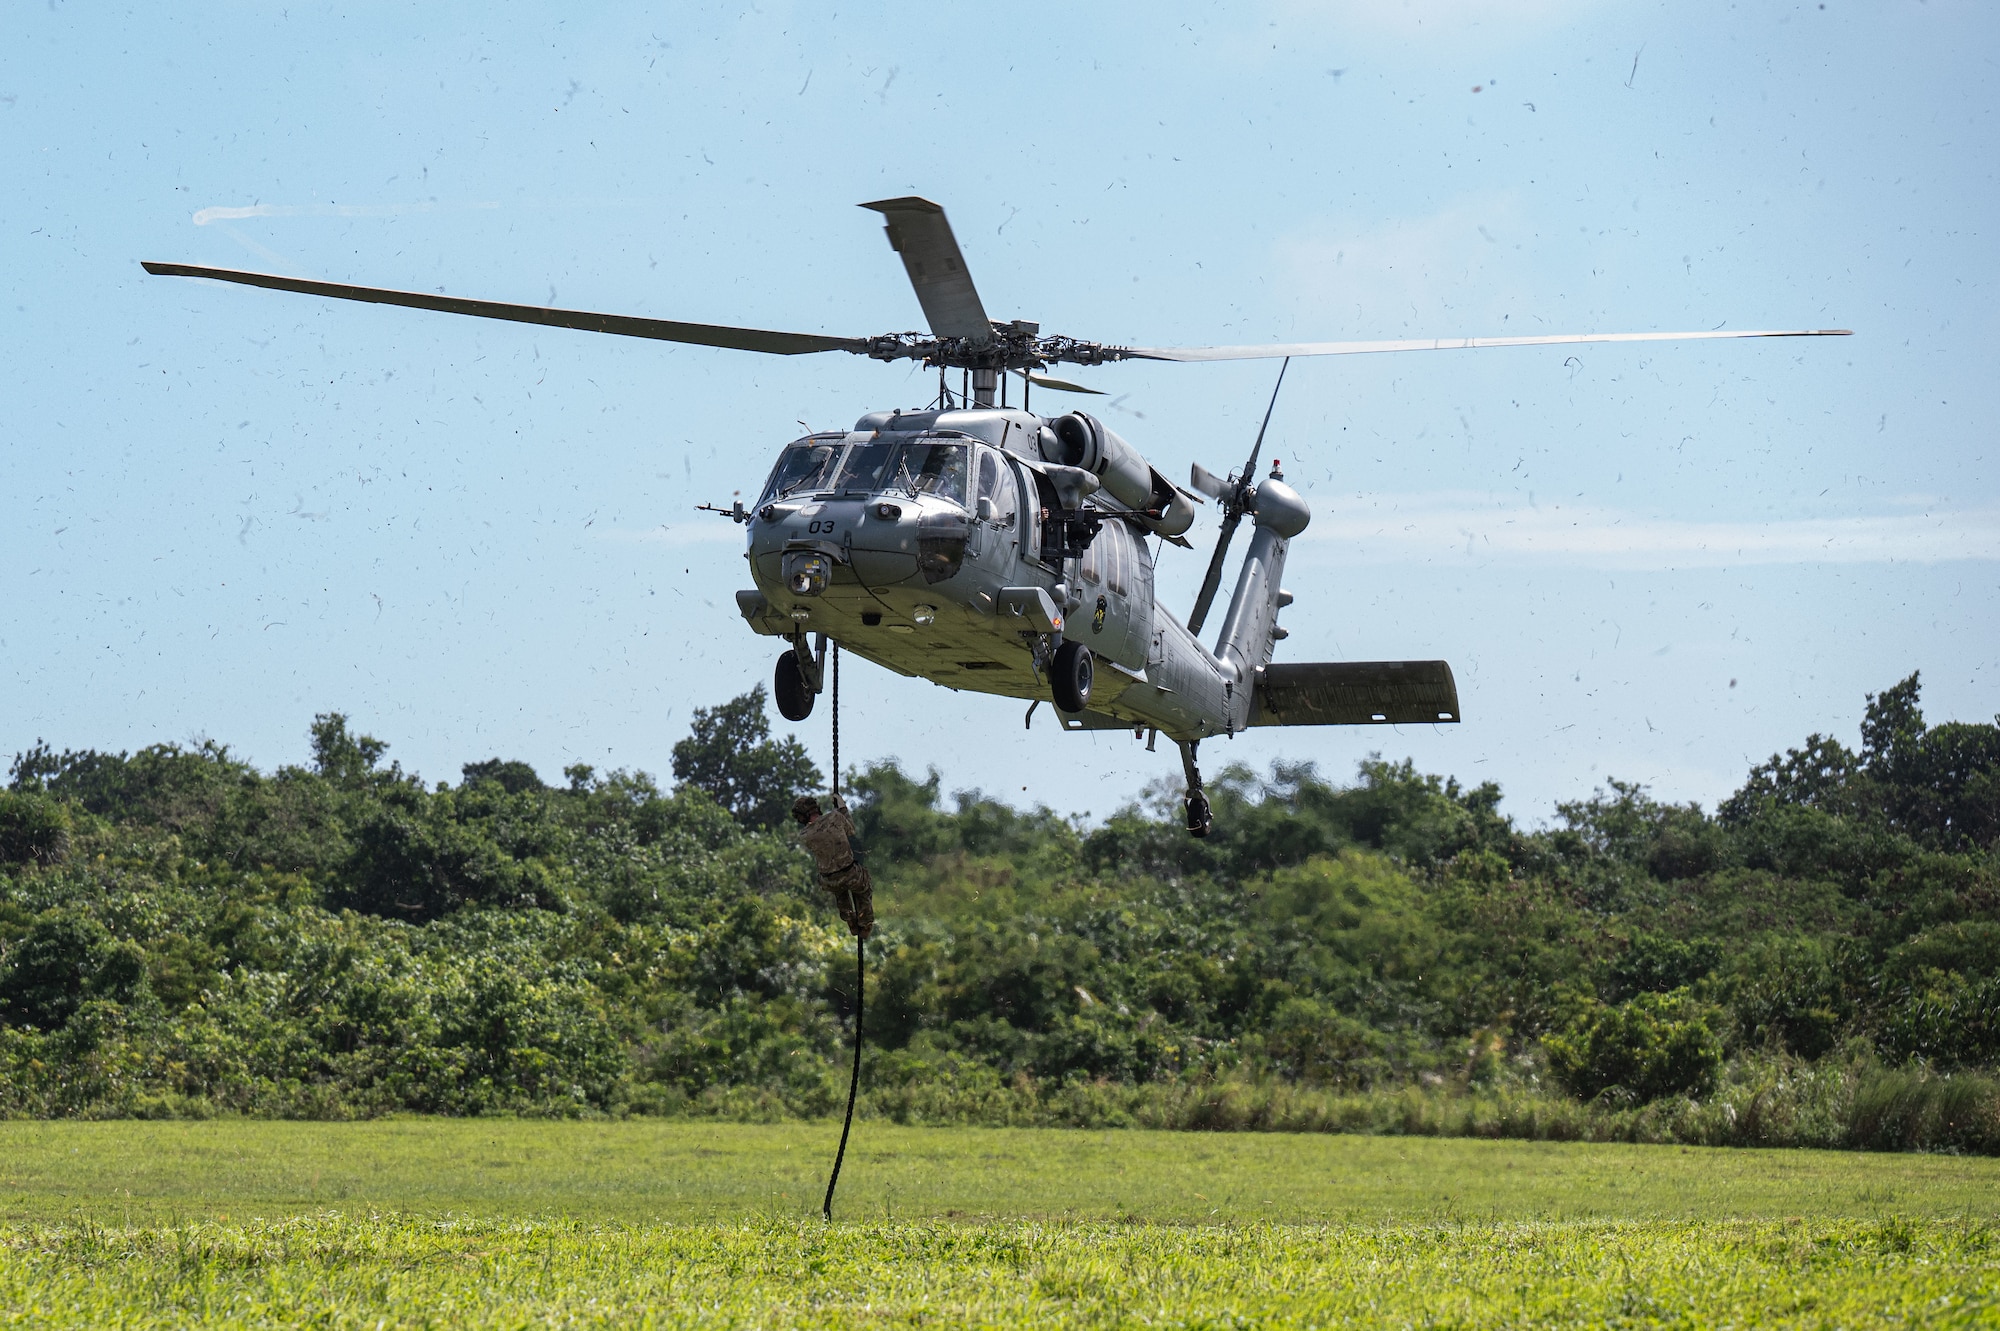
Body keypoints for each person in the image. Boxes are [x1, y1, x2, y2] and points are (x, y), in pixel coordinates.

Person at [792, 793, 873, 938]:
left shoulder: (804, 835)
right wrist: (842, 808)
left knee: (839, 890)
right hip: (850, 873)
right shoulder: (835, 817)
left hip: (829, 880)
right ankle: (865, 923)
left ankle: (849, 918)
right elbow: (851, 831)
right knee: (863, 887)